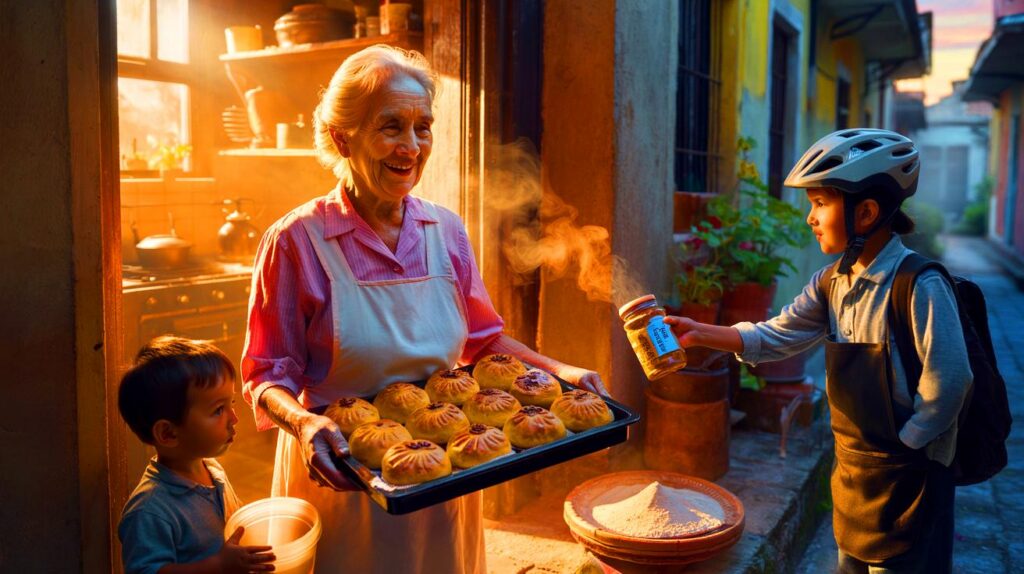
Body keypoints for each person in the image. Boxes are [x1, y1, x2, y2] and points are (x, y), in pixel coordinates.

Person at [241, 45, 607, 574]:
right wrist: (302, 424)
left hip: (443, 467)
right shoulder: (297, 241)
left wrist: (560, 372)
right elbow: (266, 375)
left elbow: (484, 341)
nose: (411, 147)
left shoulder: (446, 231)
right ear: (343, 138)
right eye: (391, 126)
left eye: (423, 128)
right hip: (345, 475)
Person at [666, 129, 972, 573]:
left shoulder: (919, 285)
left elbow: (950, 383)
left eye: (820, 203)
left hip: (909, 480)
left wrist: (903, 447)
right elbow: (777, 335)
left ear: (865, 213)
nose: (810, 217)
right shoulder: (832, 282)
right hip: (854, 475)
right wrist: (701, 333)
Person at [117, 335, 276, 574]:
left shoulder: (212, 470)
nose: (234, 419)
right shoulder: (150, 510)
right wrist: (219, 565)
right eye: (218, 410)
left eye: (231, 403)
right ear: (168, 433)